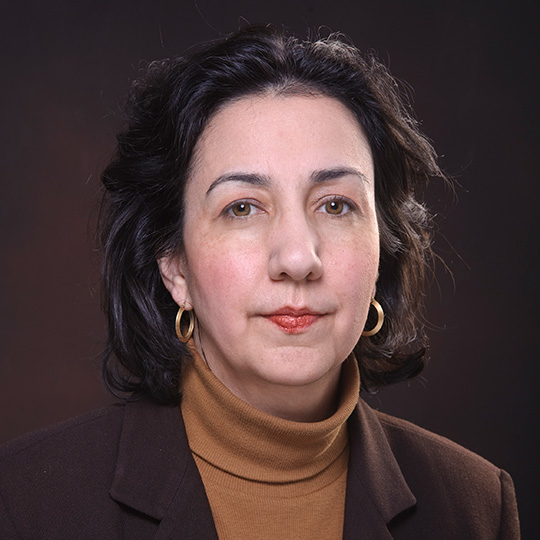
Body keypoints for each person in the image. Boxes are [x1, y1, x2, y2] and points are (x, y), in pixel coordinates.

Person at [0, 25, 519, 539]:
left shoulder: (474, 506)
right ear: (174, 264)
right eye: (242, 208)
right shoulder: (27, 502)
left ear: (383, 245)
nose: (297, 258)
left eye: (336, 205)